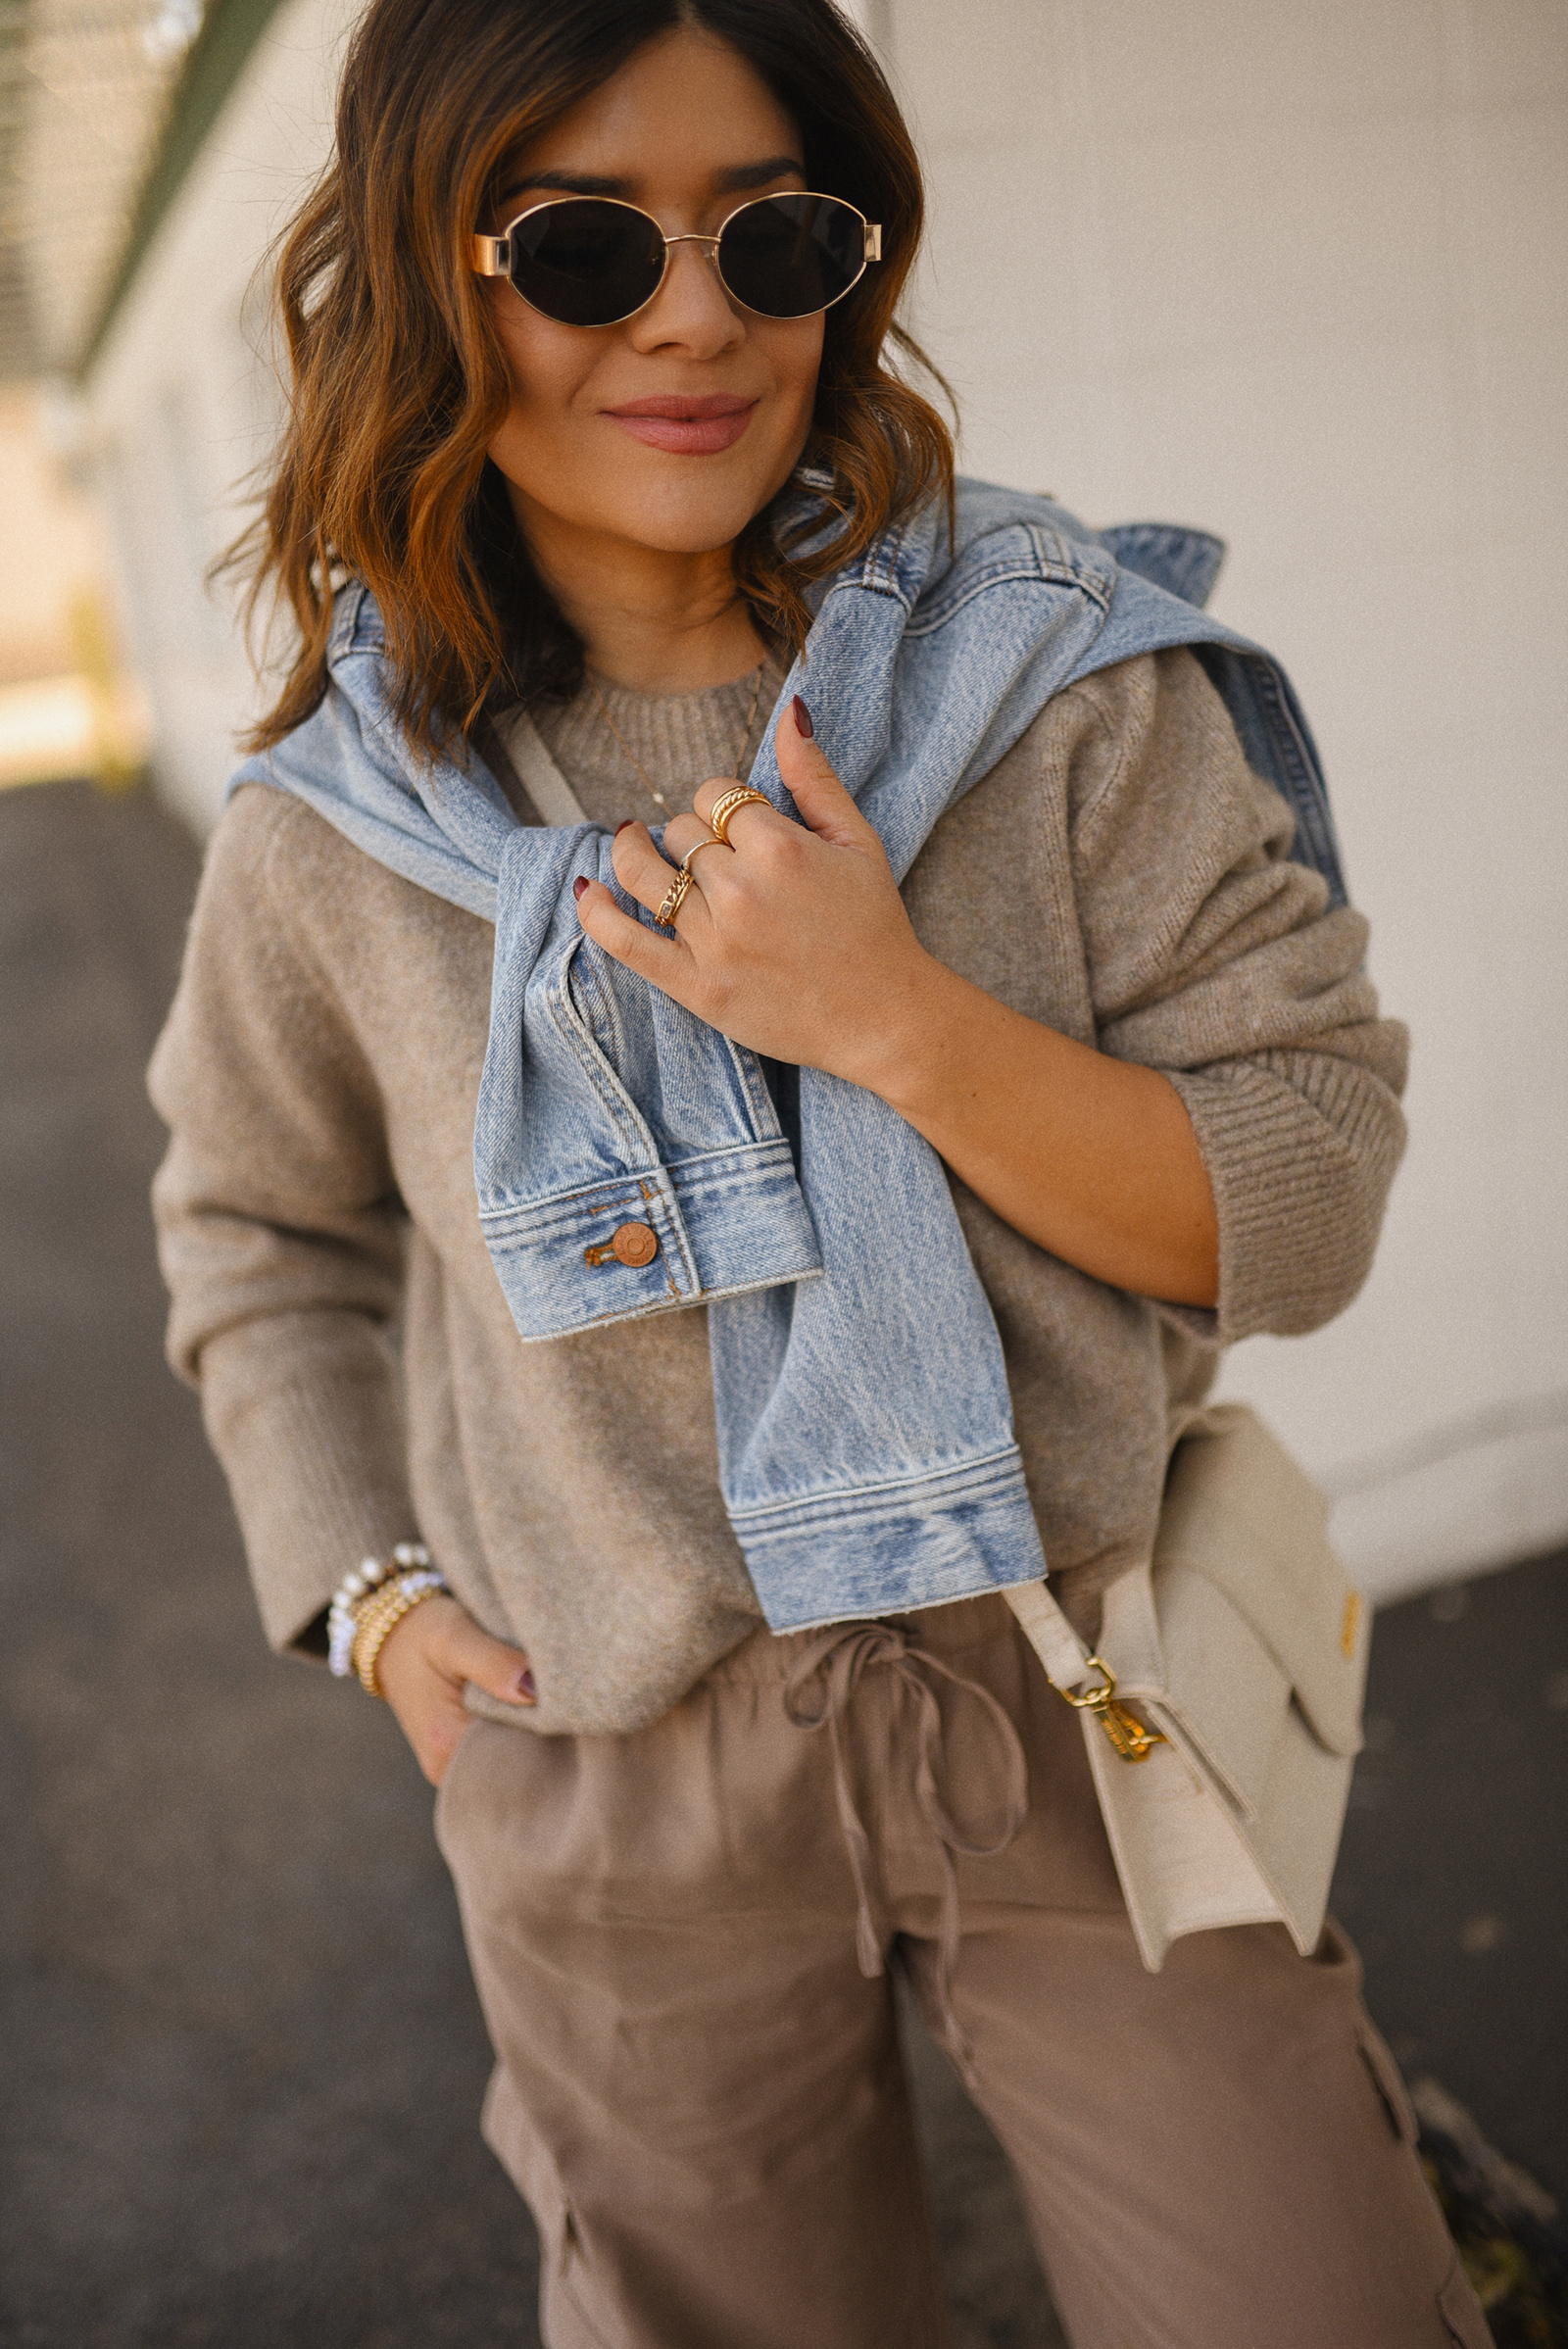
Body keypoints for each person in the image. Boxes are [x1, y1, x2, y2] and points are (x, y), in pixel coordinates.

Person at [148, 1, 1493, 2342]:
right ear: (425, 277)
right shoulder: (334, 829)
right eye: (582, 245)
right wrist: (369, 1599)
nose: (696, 316)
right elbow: (258, 1226)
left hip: (1069, 1697)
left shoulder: (1058, 682)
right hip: (610, 1777)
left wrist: (887, 1015)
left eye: (772, 233)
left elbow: (1304, 1188)